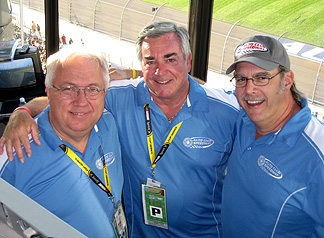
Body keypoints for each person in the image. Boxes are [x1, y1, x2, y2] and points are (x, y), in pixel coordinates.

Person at [0, 21, 240, 237]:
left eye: (170, 59)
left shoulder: (227, 110)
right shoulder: (118, 98)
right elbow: (69, 99)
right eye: (150, 61)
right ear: (141, 65)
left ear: (188, 61)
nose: (160, 70)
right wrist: (23, 112)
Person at [0, 46, 125, 238]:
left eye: (92, 89)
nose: (81, 101)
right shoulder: (16, 152)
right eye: (68, 89)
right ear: (49, 92)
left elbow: (158, 81)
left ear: (104, 93)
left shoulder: (108, 121)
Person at [221, 35, 324, 237]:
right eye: (242, 79)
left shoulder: (317, 156)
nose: (249, 90)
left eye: (262, 78)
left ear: (287, 80)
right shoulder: (242, 116)